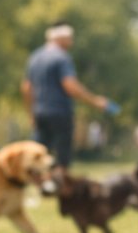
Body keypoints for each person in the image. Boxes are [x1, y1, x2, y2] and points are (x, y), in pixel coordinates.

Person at [20, 24, 112, 169]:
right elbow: (70, 86)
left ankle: (42, 186)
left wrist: (31, 114)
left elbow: (26, 88)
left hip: (39, 113)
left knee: (38, 155)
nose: (71, 43)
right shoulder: (62, 58)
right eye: (69, 39)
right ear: (61, 39)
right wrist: (94, 101)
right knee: (62, 156)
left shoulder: (35, 57)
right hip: (60, 113)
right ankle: (61, 187)